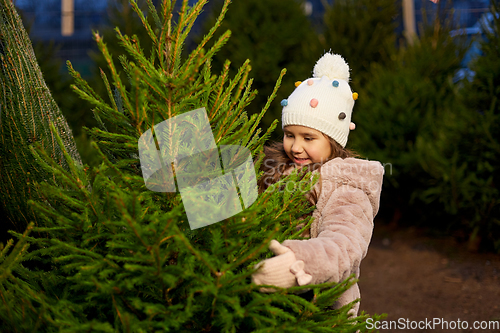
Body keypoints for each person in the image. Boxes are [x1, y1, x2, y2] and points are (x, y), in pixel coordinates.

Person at [251, 52, 384, 317]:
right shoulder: (273, 168)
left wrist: (297, 262)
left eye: (308, 138)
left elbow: (344, 245)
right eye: (290, 135)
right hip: (261, 308)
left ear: (334, 141)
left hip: (319, 309)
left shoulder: (347, 185)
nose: (296, 147)